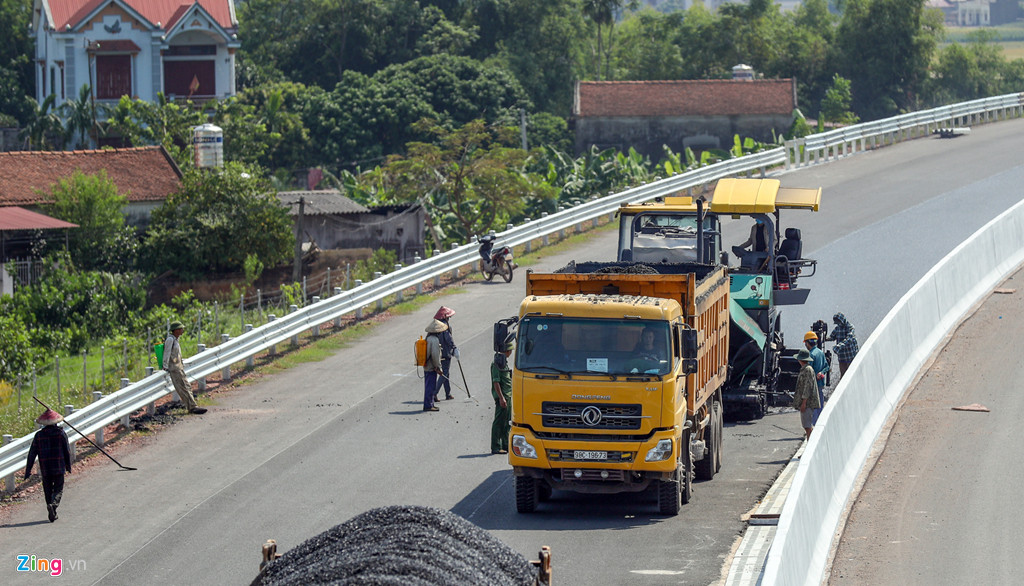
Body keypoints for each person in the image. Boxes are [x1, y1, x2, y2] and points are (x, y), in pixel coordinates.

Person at [24, 408, 73, 522]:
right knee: (58, 489)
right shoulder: (61, 434)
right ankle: (54, 505)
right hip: (58, 467)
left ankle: (51, 510)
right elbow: (67, 451)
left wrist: (28, 470)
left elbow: (32, 453)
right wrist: (68, 466)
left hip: (45, 468)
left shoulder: (39, 435)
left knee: (48, 490)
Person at [163, 320, 207, 414]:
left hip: (179, 367)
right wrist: (165, 366)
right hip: (174, 368)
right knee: (183, 388)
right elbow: (167, 353)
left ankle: (193, 406)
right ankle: (192, 407)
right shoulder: (170, 340)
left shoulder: (176, 340)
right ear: (176, 330)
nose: (182, 330)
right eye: (180, 329)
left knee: (187, 386)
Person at [490, 342, 514, 454]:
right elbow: (496, 382)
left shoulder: (504, 363)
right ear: (507, 351)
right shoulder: (496, 364)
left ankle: (505, 445)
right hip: (503, 397)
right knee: (499, 422)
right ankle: (495, 446)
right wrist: (501, 398)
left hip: (508, 396)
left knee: (506, 422)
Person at [792, 348, 820, 440]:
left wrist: (804, 402)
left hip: (808, 403)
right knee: (806, 426)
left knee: (807, 426)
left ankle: (809, 447)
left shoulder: (807, 370)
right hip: (806, 402)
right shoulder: (805, 369)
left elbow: (807, 387)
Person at [432, 307, 459, 401]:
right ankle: (434, 393)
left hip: (438, 352)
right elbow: (448, 339)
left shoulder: (436, 326)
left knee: (446, 373)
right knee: (445, 373)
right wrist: (454, 348)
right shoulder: (445, 326)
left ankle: (448, 393)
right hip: (445, 352)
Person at [804, 331, 829, 424]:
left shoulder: (810, 355)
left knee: (812, 407)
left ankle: (813, 426)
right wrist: (821, 373)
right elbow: (827, 367)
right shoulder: (820, 353)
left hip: (812, 385)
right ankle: (819, 424)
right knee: (820, 405)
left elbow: (808, 372)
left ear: (807, 343)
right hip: (820, 383)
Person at [422, 319, 447, 412]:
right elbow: (435, 355)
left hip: (427, 366)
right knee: (430, 386)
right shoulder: (435, 340)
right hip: (431, 367)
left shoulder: (428, 338)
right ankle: (428, 405)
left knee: (429, 385)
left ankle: (430, 403)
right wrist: (439, 367)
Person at [826, 312, 860, 378]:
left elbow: (849, 338)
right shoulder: (837, 328)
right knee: (843, 375)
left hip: (850, 355)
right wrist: (823, 338)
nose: (838, 324)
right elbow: (832, 337)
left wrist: (839, 346)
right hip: (842, 356)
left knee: (851, 374)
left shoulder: (850, 327)